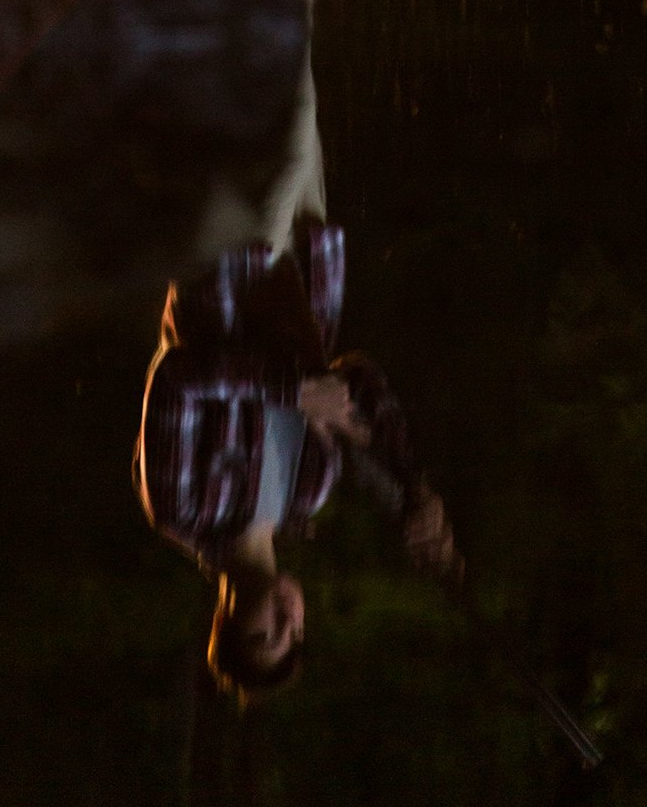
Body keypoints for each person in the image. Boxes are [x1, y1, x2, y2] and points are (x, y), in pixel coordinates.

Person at [134, 220, 460, 696]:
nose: (289, 620)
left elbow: (174, 378)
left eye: (266, 633)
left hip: (231, 248)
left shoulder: (180, 509)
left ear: (223, 616)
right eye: (295, 634)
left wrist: (297, 392)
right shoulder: (312, 488)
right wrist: (413, 483)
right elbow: (356, 374)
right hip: (309, 247)